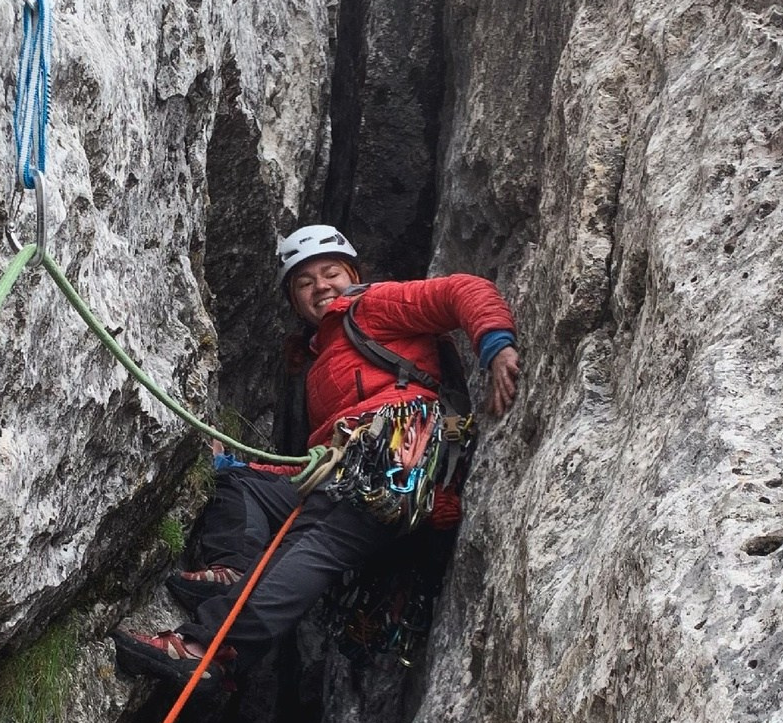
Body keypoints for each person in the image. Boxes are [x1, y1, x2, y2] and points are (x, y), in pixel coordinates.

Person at [112, 225, 519, 685]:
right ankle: (234, 571)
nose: (321, 286)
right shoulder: (320, 363)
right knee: (243, 485)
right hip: (350, 468)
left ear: (354, 275)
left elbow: (464, 290)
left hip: (391, 462)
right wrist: (236, 465)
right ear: (295, 301)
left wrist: (495, 346)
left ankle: (205, 648)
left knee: (312, 543)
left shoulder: (373, 305)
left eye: (331, 273)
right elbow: (317, 457)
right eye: (305, 283)